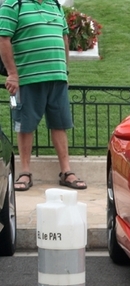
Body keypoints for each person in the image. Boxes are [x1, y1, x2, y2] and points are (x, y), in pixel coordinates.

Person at [0, 0, 86, 191]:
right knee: (25, 125)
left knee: (60, 124)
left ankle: (66, 171)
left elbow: (64, 38)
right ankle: (24, 172)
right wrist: (13, 74)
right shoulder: (14, 5)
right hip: (27, 78)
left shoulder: (54, 5)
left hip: (57, 76)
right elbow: (3, 40)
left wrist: (65, 70)